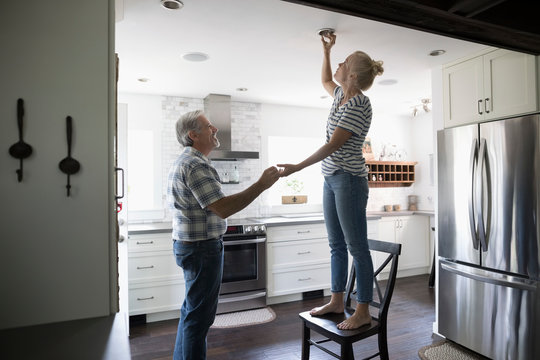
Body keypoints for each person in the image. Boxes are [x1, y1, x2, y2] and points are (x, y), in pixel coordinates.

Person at [278, 32, 384, 330]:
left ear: (351, 74)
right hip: (331, 178)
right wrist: (326, 51)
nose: (338, 63)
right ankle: (338, 300)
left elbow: (332, 146)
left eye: (343, 61)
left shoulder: (360, 105)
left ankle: (362, 309)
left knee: (357, 247)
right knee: (336, 244)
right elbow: (326, 80)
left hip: (349, 180)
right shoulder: (341, 95)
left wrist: (298, 166)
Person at [167, 110, 280, 360]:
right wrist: (261, 184)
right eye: (209, 126)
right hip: (201, 249)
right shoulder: (195, 164)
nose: (215, 129)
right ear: (193, 135)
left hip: (192, 246)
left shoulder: (187, 161)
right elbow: (223, 208)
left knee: (191, 313)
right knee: (199, 320)